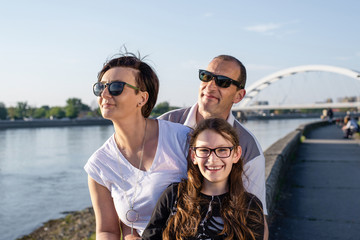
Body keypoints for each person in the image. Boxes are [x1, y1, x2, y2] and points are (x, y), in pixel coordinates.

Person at [84, 52, 191, 239]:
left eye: (116, 87)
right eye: (101, 87)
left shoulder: (182, 138)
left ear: (142, 99)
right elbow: (106, 230)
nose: (105, 94)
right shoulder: (99, 164)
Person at [159, 55, 267, 215]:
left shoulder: (248, 147)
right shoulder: (164, 125)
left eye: (222, 81)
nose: (210, 86)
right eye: (206, 76)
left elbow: (257, 216)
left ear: (239, 96)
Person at [142, 118, 268, 240]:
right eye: (204, 150)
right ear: (193, 155)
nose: (212, 159)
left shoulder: (250, 205)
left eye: (222, 150)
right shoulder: (174, 196)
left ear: (236, 154)